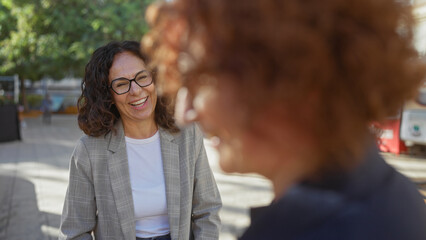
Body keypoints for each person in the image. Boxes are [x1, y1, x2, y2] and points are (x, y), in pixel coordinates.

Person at [143, 0, 426, 239]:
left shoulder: (302, 229)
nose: (184, 113)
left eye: (200, 80)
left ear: (290, 74)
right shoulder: (389, 191)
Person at [59, 41, 221, 240]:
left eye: (142, 77)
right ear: (107, 95)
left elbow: (208, 210)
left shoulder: (186, 135)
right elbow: (75, 231)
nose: (135, 90)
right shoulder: (89, 151)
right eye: (121, 84)